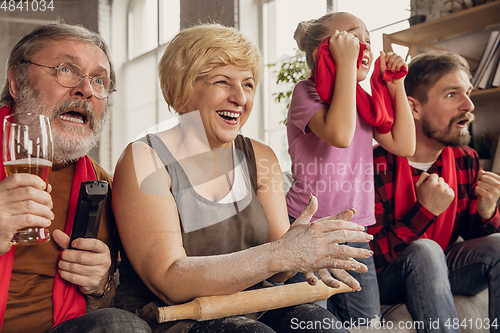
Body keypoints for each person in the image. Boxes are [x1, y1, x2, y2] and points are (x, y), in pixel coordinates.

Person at [112, 23, 375, 333]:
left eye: (248, 84)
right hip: (176, 318)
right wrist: (280, 253)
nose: (240, 98)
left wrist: (301, 250)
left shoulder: (260, 156)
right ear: (182, 87)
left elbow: (277, 271)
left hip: (255, 308)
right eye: (223, 82)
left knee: (319, 325)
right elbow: (169, 279)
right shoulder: (146, 157)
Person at [0, 23, 151, 333]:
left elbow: (110, 303)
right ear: (16, 81)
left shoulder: (101, 184)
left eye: (99, 80)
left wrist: (98, 286)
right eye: (66, 70)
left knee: (122, 326)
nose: (86, 89)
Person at [285, 11, 415, 325]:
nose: (365, 46)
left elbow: (403, 145)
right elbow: (340, 135)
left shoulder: (363, 101)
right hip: (308, 230)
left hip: (355, 232)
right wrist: (345, 65)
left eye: (368, 40)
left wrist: (395, 85)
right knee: (319, 323)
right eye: (353, 38)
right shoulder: (306, 93)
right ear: (324, 52)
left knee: (367, 323)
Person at [368, 50, 500, 332]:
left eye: (468, 93)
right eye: (452, 95)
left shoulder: (467, 159)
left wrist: (486, 212)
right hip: (389, 278)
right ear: (413, 108)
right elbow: (368, 259)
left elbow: (477, 243)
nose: (469, 105)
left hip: (444, 269)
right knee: (426, 251)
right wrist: (423, 212)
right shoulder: (373, 166)